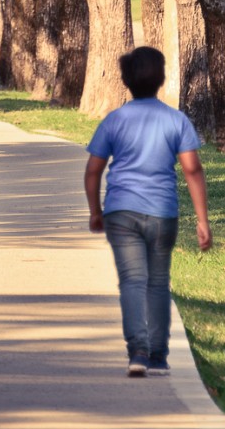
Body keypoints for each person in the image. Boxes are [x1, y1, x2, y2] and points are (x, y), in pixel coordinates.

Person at [84, 47, 212, 378]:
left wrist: (96, 212)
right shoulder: (175, 120)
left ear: (125, 81)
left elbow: (93, 170)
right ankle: (157, 355)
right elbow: (192, 170)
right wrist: (202, 221)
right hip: (162, 211)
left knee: (131, 280)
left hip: (121, 211)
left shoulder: (115, 120)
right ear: (161, 79)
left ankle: (137, 352)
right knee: (157, 282)